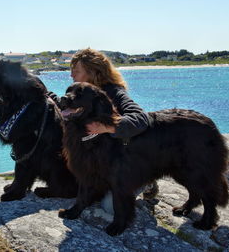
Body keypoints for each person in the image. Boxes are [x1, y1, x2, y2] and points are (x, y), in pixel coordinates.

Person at [50, 48, 158, 212]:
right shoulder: (79, 92)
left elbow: (141, 118)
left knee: (109, 207)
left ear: (93, 72)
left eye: (76, 71)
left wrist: (108, 127)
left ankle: (148, 180)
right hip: (98, 163)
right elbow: (65, 106)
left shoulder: (115, 93)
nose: (71, 75)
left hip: (124, 163)